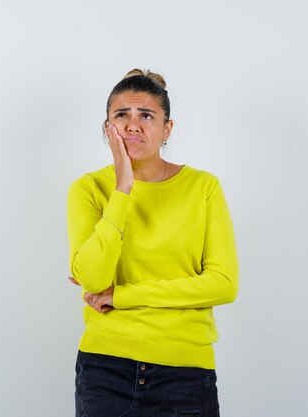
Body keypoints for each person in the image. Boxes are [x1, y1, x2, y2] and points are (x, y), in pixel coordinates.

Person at [67, 69, 238, 417]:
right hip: (105, 369)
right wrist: (123, 189)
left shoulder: (203, 188)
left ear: (167, 129)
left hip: (186, 373)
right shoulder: (88, 189)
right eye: (121, 115)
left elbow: (223, 284)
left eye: (146, 115)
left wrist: (123, 295)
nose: (132, 125)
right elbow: (94, 279)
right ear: (107, 128)